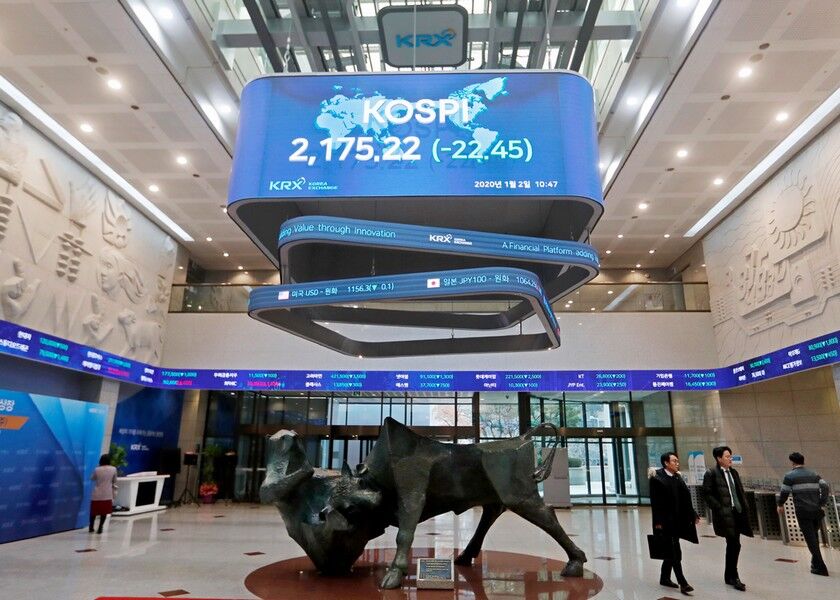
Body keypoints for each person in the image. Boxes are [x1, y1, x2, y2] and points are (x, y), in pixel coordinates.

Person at [702, 446, 753, 591]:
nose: (730, 459)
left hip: (737, 513)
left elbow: (739, 491)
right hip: (725, 514)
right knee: (734, 543)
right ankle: (734, 576)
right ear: (719, 458)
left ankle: (729, 575)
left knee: (734, 544)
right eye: (727, 456)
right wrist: (719, 507)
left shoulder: (734, 473)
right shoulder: (711, 473)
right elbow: (707, 494)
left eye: (730, 456)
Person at [650, 452, 699, 595]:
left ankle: (664, 577)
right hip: (665, 522)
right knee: (675, 551)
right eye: (674, 461)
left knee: (671, 549)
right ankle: (683, 582)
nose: (677, 463)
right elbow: (656, 503)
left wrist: (693, 514)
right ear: (666, 463)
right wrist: (658, 523)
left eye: (677, 461)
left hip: (678, 520)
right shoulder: (657, 478)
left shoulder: (677, 477)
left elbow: (685, 499)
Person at [776, 452, 830, 576]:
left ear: (792, 462)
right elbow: (825, 487)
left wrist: (780, 504)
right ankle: (815, 564)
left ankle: (821, 567)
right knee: (814, 537)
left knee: (810, 539)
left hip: (803, 511)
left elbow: (784, 492)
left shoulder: (790, 476)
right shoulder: (814, 474)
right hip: (816, 511)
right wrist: (821, 502)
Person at [89, 454, 118, 534]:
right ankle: (100, 527)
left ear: (101, 460)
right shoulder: (113, 469)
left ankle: (91, 527)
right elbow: (115, 480)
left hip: (96, 494)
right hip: (107, 494)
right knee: (104, 512)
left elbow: (92, 478)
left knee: (94, 511)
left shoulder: (97, 469)